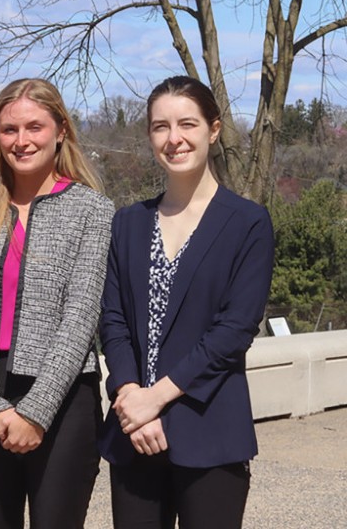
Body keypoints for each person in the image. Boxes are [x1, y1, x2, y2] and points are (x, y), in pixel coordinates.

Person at [99, 75, 274, 528]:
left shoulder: (247, 223)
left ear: (213, 130)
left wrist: (155, 398)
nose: (173, 139)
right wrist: (130, 396)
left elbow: (234, 331)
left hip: (209, 430)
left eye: (187, 124)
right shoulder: (128, 223)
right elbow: (113, 321)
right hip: (134, 433)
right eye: (160, 127)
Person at [0, 78, 113, 528]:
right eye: (9, 130)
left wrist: (35, 413)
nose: (21, 141)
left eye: (34, 127)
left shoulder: (93, 212)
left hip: (63, 405)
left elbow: (82, 317)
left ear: (61, 130)